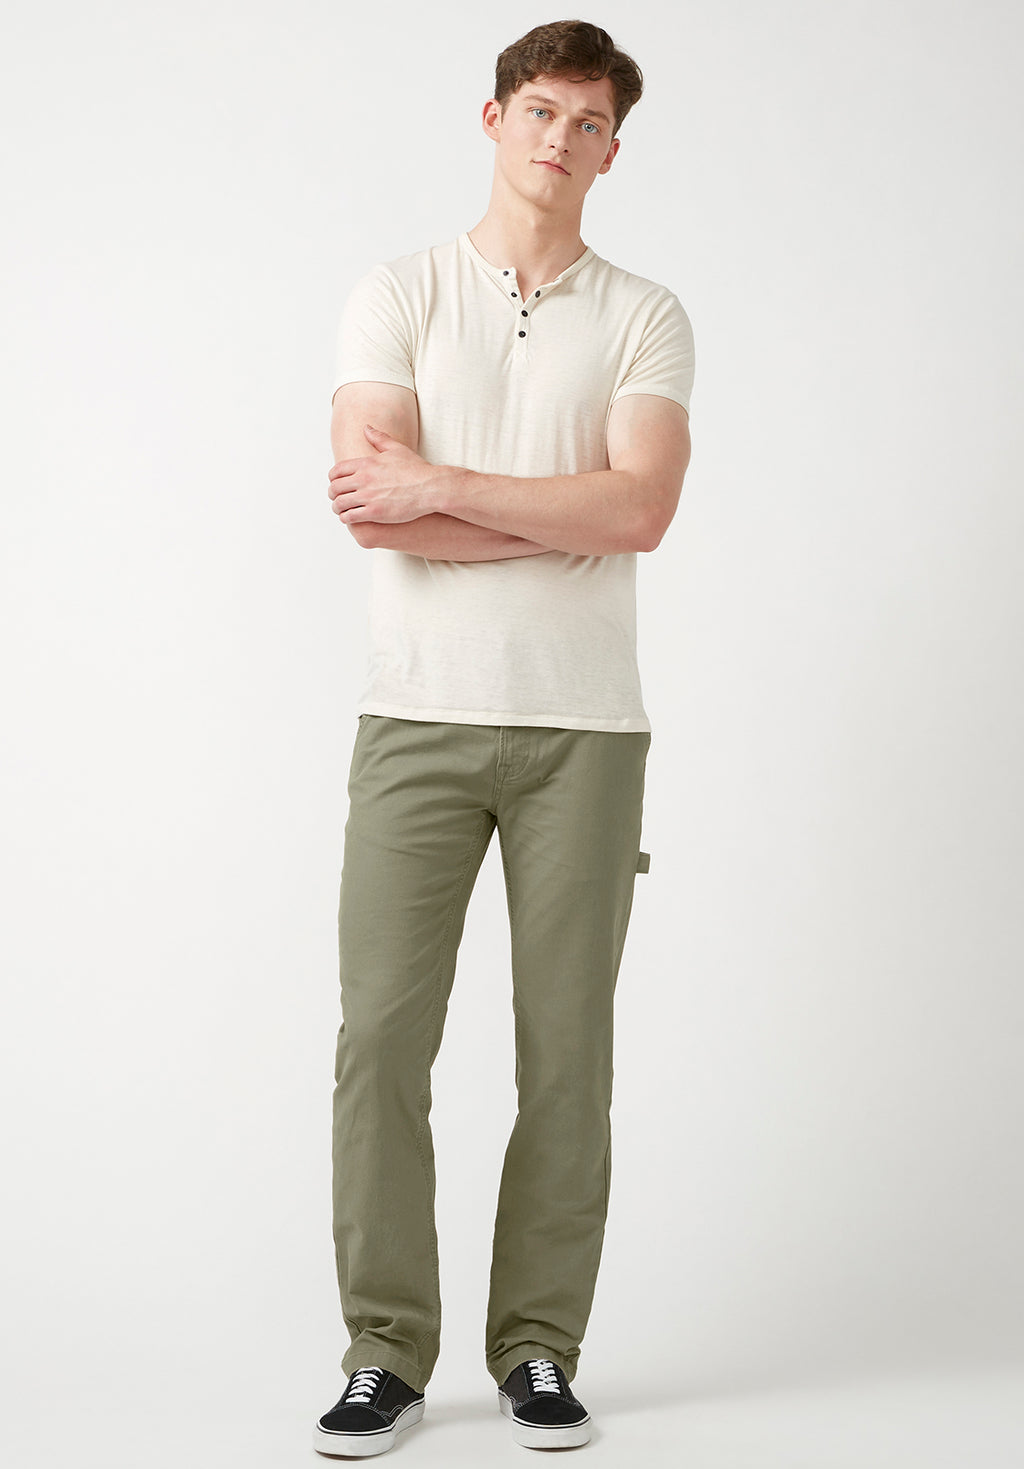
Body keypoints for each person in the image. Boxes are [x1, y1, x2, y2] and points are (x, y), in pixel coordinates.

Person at [314, 17, 694, 1457]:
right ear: (494, 120)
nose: (560, 138)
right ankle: (384, 1352)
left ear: (612, 150)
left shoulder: (645, 314)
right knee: (380, 1043)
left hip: (584, 733)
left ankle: (538, 1346)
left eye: (588, 121)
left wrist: (447, 490)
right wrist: (553, 510)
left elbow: (640, 510)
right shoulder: (398, 291)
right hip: (414, 716)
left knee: (567, 1056)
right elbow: (369, 502)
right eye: (540, 110)